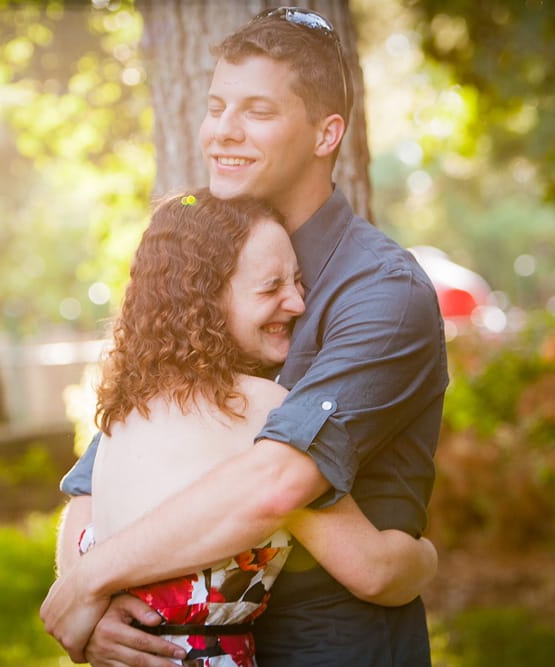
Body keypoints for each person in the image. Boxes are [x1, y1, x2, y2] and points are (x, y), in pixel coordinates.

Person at [41, 7, 448, 666]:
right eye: (216, 105)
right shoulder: (208, 268)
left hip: (334, 647)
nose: (221, 132)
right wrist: (98, 611)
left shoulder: (382, 291)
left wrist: (90, 578)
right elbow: (99, 474)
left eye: (256, 110)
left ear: (326, 134)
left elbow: (276, 483)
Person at [84, 188, 437, 666]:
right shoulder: (255, 410)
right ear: (204, 301)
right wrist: (425, 557)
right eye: (271, 288)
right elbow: (373, 571)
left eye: (297, 280)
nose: (296, 303)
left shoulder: (125, 413)